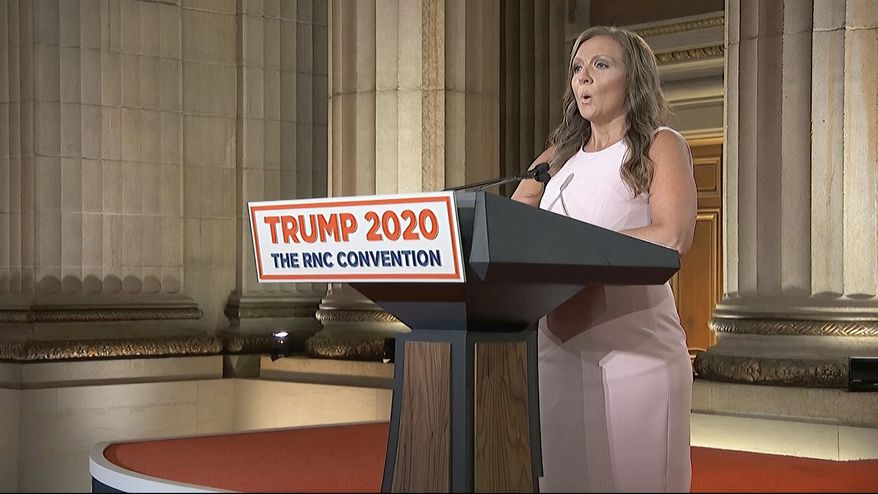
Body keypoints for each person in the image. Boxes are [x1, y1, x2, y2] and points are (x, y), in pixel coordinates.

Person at [512, 26, 697, 492]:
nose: (584, 79)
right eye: (577, 68)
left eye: (600, 65)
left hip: (635, 353)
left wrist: (573, 248)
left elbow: (672, 235)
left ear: (632, 78)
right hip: (557, 350)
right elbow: (511, 228)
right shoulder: (557, 158)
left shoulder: (659, 144)